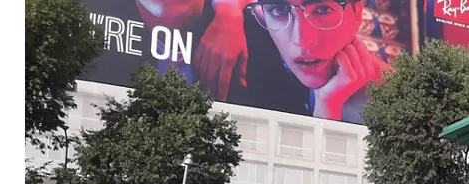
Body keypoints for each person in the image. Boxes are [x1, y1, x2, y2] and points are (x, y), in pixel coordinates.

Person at [140, 0, 391, 122]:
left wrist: (328, 107)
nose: (302, 40)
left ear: (358, 12)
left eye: (323, 9)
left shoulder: (385, 99)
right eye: (279, 11)